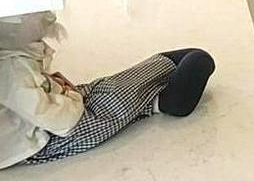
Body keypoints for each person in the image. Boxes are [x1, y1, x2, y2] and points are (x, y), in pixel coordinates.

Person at [0, 11, 214, 169]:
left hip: (53, 114)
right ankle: (164, 102)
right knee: (111, 102)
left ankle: (156, 95)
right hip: (45, 140)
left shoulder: (15, 57)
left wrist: (65, 91)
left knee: (104, 90)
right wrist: (72, 95)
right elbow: (61, 122)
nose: (50, 16)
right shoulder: (12, 71)